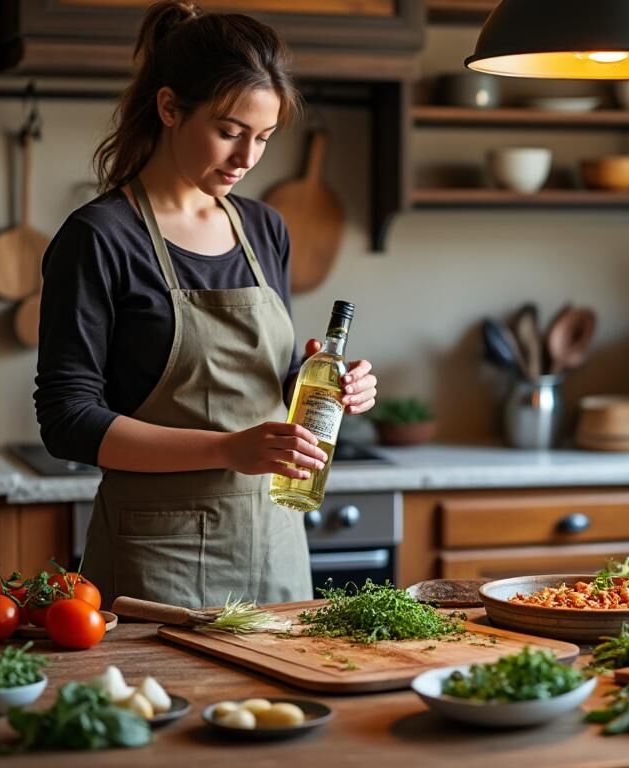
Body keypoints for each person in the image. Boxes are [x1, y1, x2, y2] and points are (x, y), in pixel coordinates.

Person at [33, 1, 377, 609]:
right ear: (169, 108)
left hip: (274, 544)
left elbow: (257, 380)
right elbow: (67, 420)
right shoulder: (100, 237)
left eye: (264, 138)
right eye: (228, 131)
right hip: (155, 562)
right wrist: (226, 449)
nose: (246, 158)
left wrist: (324, 386)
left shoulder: (265, 229)